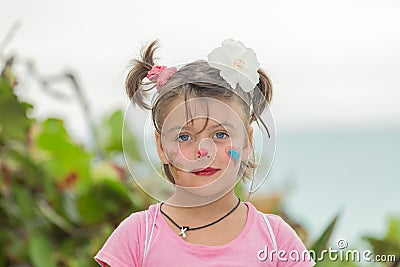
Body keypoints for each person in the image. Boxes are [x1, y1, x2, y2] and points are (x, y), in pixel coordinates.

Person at [94, 39, 315, 266]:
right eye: (185, 137)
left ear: (247, 142)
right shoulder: (139, 236)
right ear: (161, 147)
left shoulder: (276, 239)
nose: (203, 152)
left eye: (220, 134)